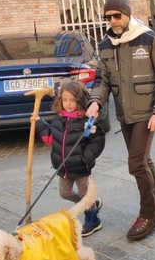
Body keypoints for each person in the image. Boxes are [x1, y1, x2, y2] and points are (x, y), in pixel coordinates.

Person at [86, 0, 155, 241]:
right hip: (125, 113)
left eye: (117, 15)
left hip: (147, 112)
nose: (113, 20)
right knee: (143, 160)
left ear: (127, 14)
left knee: (136, 163)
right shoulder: (105, 45)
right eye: (109, 17)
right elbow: (101, 79)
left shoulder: (149, 39)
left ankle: (149, 213)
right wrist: (95, 101)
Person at [32, 81, 106, 237]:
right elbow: (50, 138)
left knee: (85, 193)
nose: (68, 104)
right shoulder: (59, 119)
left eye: (72, 100)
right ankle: (90, 203)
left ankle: (93, 220)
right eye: (65, 100)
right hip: (63, 167)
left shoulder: (87, 120)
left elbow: (98, 139)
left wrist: (85, 158)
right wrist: (38, 123)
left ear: (80, 101)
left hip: (80, 167)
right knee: (64, 193)